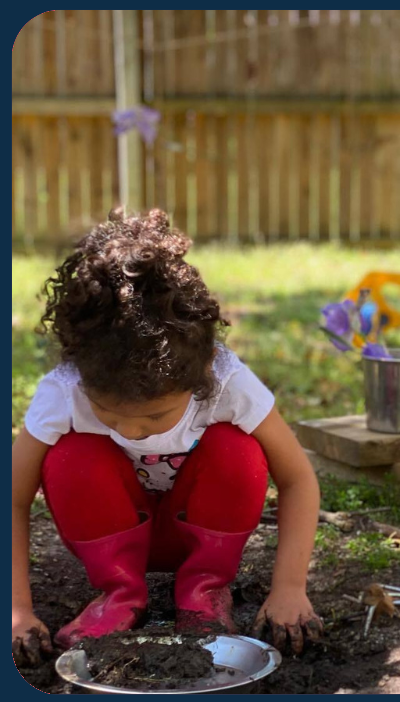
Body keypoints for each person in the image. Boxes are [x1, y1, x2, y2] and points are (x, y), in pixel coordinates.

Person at [12, 208, 321, 667]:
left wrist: (290, 588)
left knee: (238, 448)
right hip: (109, 535)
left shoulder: (227, 382)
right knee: (70, 455)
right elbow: (12, 498)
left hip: (197, 533)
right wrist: (16, 608)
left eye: (155, 415)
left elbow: (298, 480)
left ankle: (204, 590)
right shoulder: (64, 391)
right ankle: (121, 595)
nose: (131, 431)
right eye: (109, 414)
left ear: (200, 378)